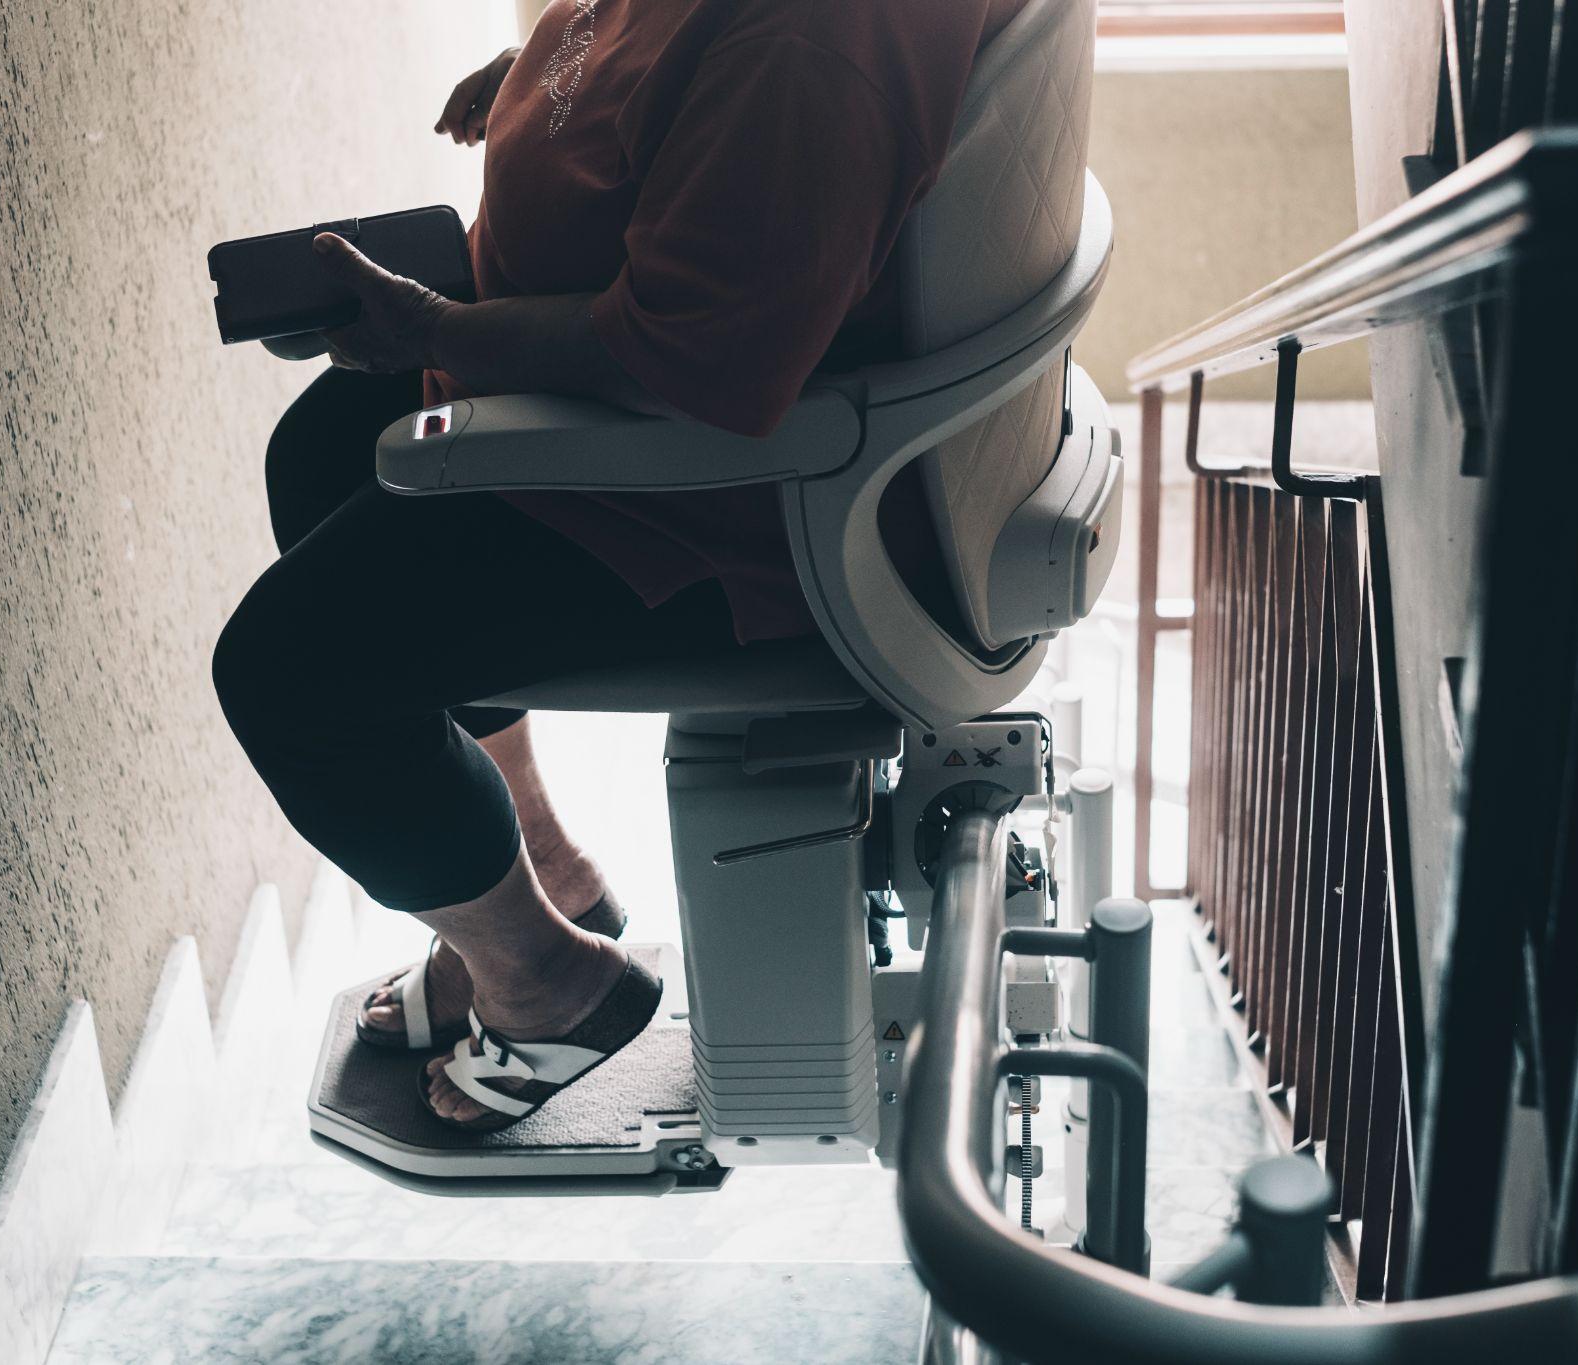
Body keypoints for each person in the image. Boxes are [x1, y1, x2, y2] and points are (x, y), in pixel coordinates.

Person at [214, 0, 1029, 1131]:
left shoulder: (815, 42)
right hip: (628, 404)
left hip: (725, 495)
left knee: (290, 672)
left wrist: (439, 334)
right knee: (319, 459)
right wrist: (555, 84)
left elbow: (700, 360)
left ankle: (553, 985)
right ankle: (528, 882)